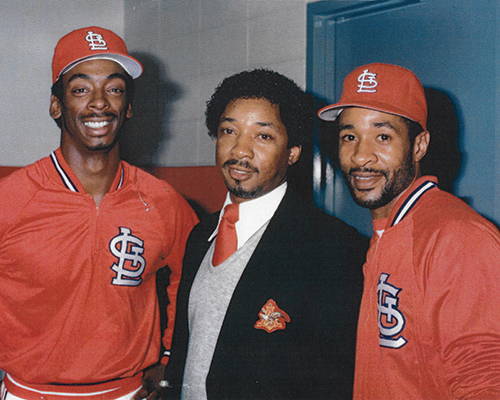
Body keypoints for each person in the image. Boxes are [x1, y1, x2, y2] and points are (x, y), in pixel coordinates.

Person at [0, 27, 198, 400]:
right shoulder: (12, 198)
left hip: (129, 392)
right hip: (28, 392)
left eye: (114, 88)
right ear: (56, 105)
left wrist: (170, 357)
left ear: (129, 106)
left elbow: (192, 278)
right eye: (80, 89)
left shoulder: (161, 201)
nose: (99, 103)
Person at [162, 69, 368, 400]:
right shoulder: (201, 235)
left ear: (292, 152)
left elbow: (334, 383)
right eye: (229, 131)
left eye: (263, 136)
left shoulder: (332, 247)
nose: (240, 151)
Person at [318, 62, 500, 399]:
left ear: (419, 146)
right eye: (349, 136)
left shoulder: (457, 237)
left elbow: (485, 380)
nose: (361, 156)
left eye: (383, 136)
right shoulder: (386, 234)